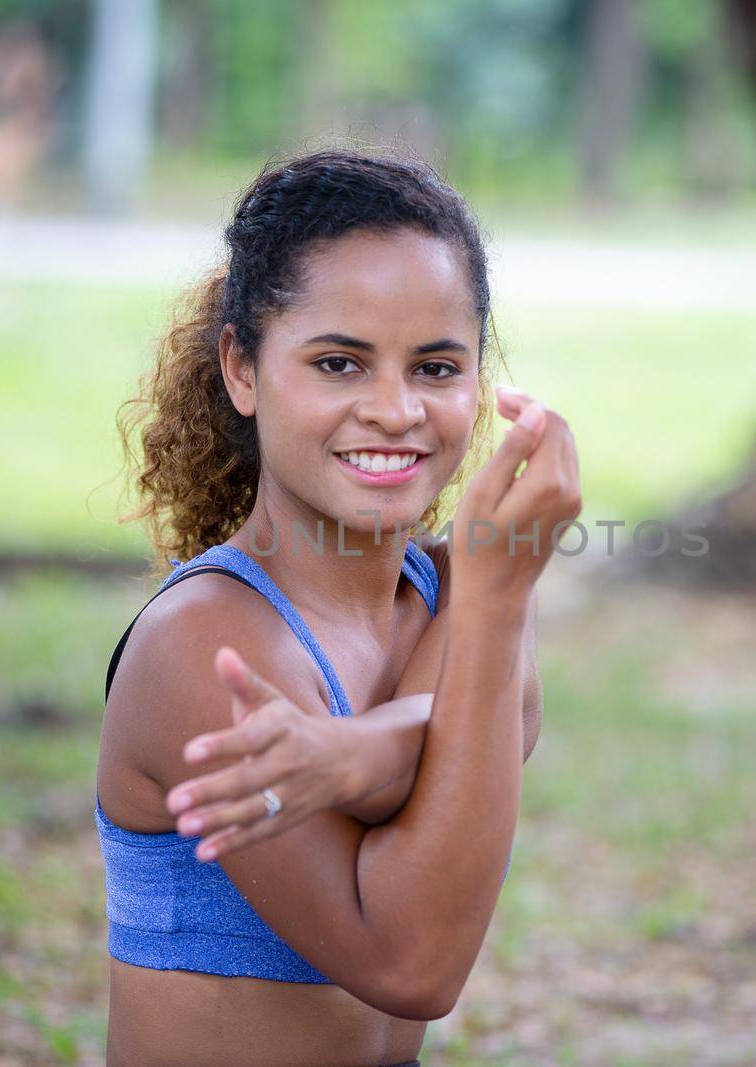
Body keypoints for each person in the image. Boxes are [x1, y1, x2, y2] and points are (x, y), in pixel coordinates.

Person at [96, 148, 582, 1067]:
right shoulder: (204, 640)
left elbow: (476, 736)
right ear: (242, 367)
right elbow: (411, 962)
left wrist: (342, 751)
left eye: (437, 367)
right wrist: (496, 601)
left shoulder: (453, 592)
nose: (395, 410)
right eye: (339, 363)